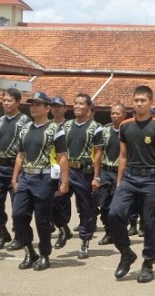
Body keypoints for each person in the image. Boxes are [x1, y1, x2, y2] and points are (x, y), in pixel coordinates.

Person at [108, 85, 155, 283]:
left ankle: (148, 263)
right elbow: (123, 156)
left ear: (151, 102)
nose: (139, 104)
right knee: (114, 213)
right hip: (129, 178)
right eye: (136, 100)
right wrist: (120, 182)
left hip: (151, 179)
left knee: (150, 222)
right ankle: (126, 253)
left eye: (143, 100)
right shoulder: (125, 126)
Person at [11, 91, 70, 271]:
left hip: (44, 177)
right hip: (26, 176)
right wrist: (15, 178)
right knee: (18, 215)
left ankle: (44, 254)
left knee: (42, 219)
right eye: (32, 104)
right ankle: (30, 250)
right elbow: (20, 155)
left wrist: (64, 181)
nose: (33, 107)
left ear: (47, 108)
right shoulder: (25, 128)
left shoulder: (55, 130)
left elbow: (62, 157)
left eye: (38, 104)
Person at [0, 88, 30, 251]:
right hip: (0, 167)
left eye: (9, 100)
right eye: (4, 100)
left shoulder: (25, 121)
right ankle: (2, 231)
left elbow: (26, 147)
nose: (5, 103)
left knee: (17, 204)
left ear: (18, 102)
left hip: (17, 167)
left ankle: (19, 236)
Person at [62, 93, 103, 259]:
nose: (77, 106)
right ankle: (63, 228)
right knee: (55, 199)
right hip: (67, 169)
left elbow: (98, 153)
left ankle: (84, 241)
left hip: (84, 172)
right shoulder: (66, 126)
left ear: (88, 107)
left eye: (81, 104)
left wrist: (96, 176)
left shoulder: (96, 127)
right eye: (75, 103)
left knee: (86, 208)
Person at [97, 102, 127, 245]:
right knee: (103, 205)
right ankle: (108, 232)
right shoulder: (105, 130)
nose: (114, 116)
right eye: (112, 113)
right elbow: (99, 152)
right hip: (105, 170)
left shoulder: (128, 130)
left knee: (117, 207)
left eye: (117, 113)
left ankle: (119, 233)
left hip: (121, 172)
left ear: (124, 115)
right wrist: (97, 175)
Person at [49, 96, 75, 246]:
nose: (56, 109)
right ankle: (62, 227)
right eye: (53, 106)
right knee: (50, 198)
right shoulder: (47, 126)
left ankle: (63, 228)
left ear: (65, 108)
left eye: (59, 106)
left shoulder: (70, 127)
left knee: (61, 199)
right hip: (50, 167)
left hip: (67, 166)